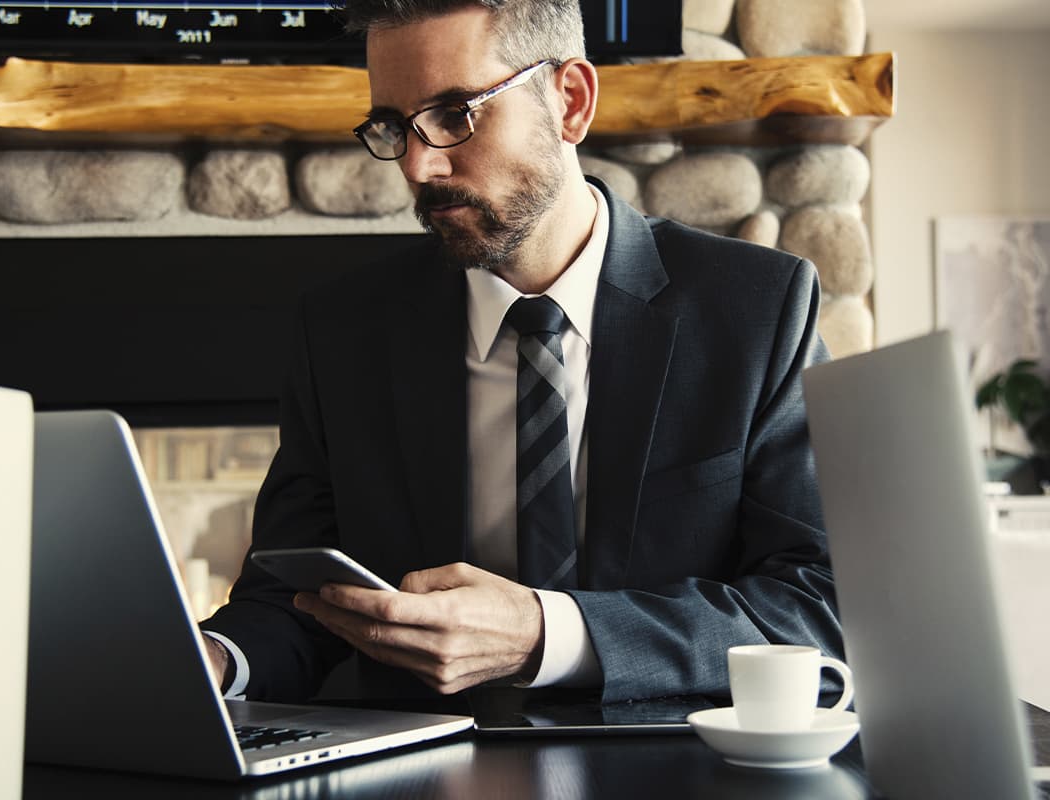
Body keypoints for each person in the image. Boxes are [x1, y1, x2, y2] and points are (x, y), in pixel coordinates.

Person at [199, 0, 842, 705]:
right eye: (393, 126)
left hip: (674, 769)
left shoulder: (756, 309)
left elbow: (815, 606)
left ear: (570, 101)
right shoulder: (342, 332)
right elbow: (295, 604)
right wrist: (217, 660)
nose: (418, 164)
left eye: (456, 114)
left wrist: (548, 634)